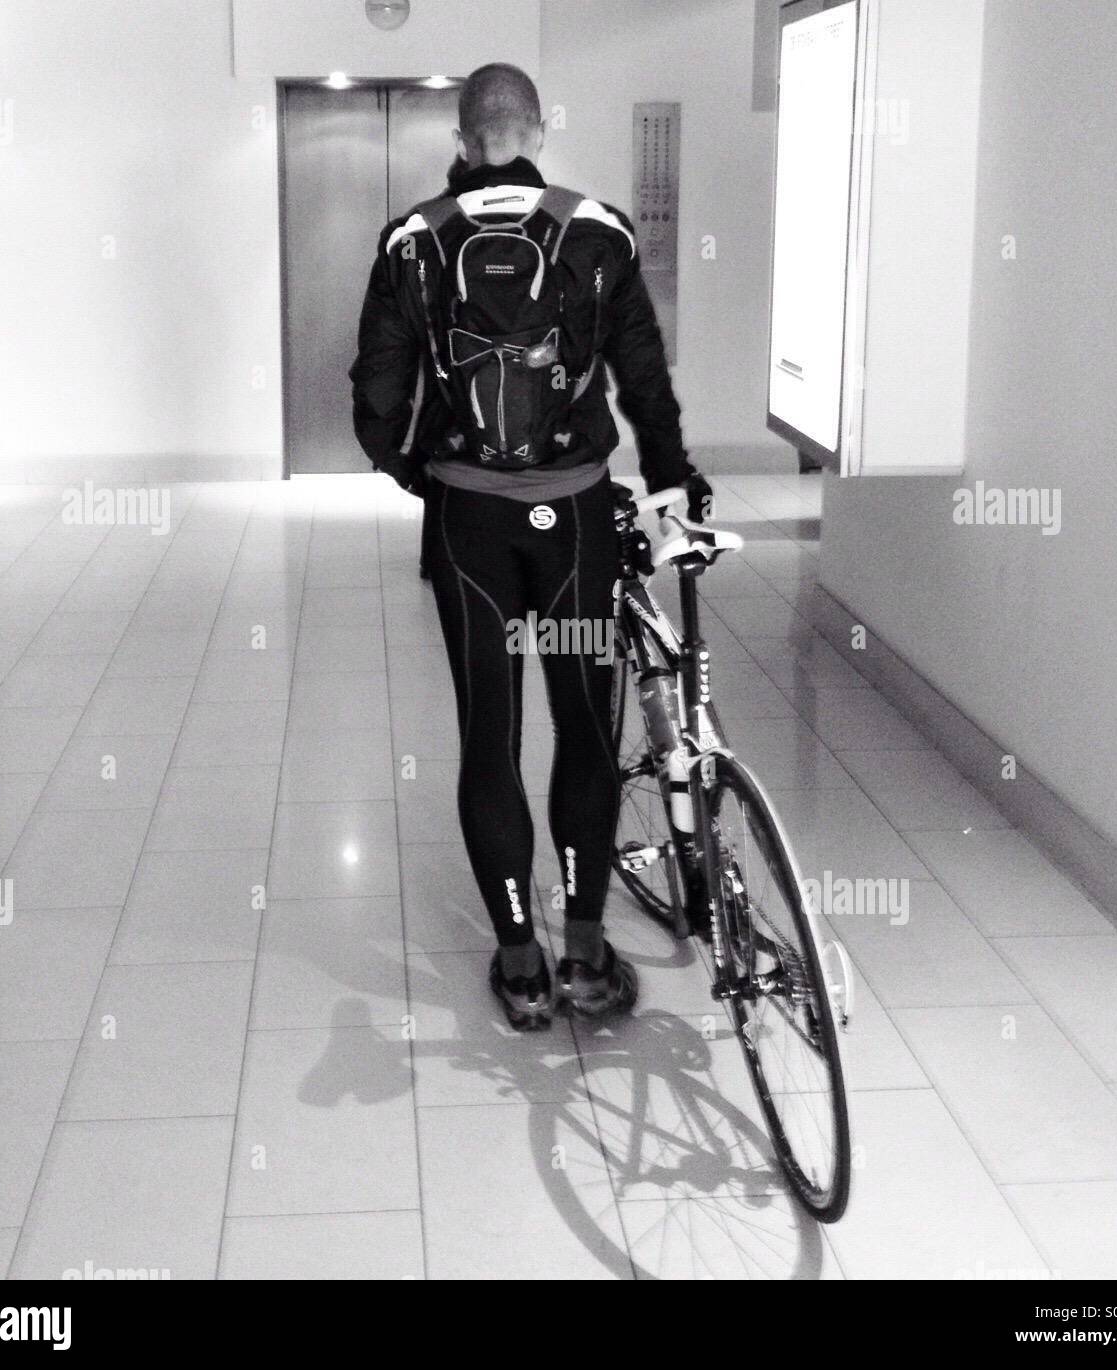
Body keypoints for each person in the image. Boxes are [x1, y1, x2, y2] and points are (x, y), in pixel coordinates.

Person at [350, 63, 710, 1030]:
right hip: (578, 528)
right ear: (539, 128)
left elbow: (375, 399)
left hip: (472, 528)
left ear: (463, 138)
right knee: (584, 729)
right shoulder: (599, 232)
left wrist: (426, 475)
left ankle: (519, 966)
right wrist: (672, 479)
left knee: (490, 736)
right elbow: (644, 376)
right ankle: (587, 955)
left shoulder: (413, 240)